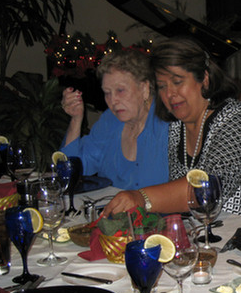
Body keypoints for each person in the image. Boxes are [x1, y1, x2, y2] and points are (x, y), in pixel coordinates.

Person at [103, 36, 241, 225]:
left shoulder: (238, 120)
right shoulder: (178, 127)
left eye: (177, 82)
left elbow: (205, 191)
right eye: (162, 86)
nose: (170, 94)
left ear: (205, 78)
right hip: (222, 240)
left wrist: (141, 198)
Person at [60, 49, 170, 190]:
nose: (113, 100)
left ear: (144, 88)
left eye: (120, 90)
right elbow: (69, 173)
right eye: (107, 93)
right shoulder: (109, 121)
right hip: (111, 211)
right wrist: (76, 119)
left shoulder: (168, 123)